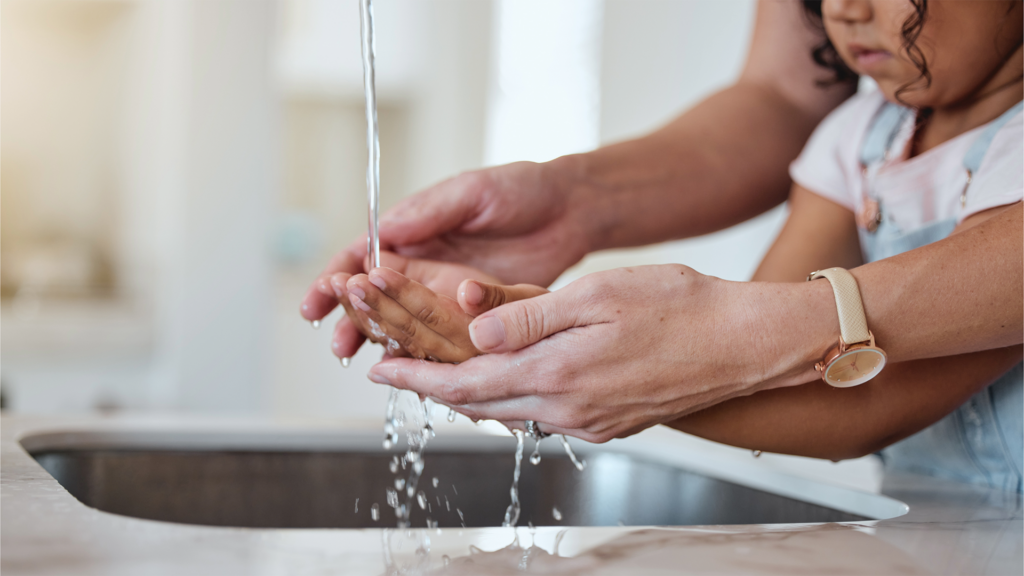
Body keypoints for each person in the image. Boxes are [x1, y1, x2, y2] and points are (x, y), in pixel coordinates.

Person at [301, 1, 1023, 456]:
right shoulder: (856, 138)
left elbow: (865, 405)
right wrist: (534, 338)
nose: (845, 8)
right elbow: (759, 378)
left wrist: (592, 374)